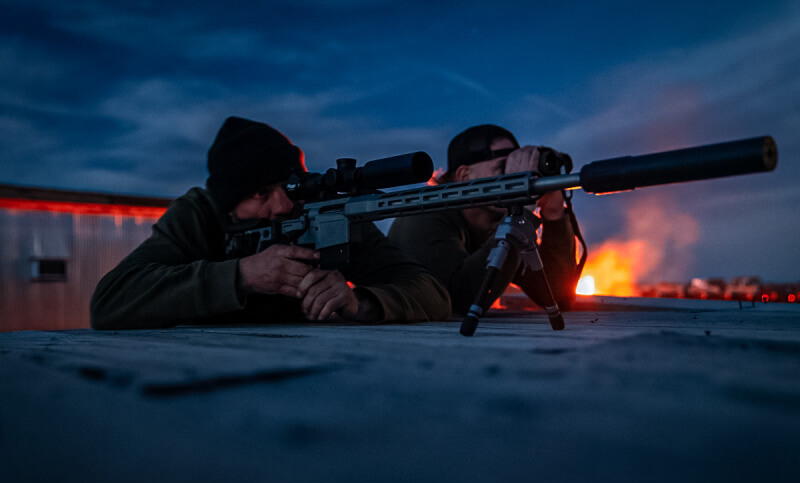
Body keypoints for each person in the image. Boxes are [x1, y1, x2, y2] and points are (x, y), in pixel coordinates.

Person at [90, 116, 451, 329]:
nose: (282, 204)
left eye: (289, 186)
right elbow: (109, 301)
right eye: (262, 192)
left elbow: (431, 291)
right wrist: (241, 276)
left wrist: (363, 302)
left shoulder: (323, 213)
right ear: (230, 200)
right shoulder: (200, 213)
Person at [388, 124, 583, 315]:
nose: (516, 177)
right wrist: (522, 208)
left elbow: (558, 295)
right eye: (503, 168)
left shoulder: (497, 222)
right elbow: (458, 301)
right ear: (465, 176)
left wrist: (554, 213)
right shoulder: (423, 216)